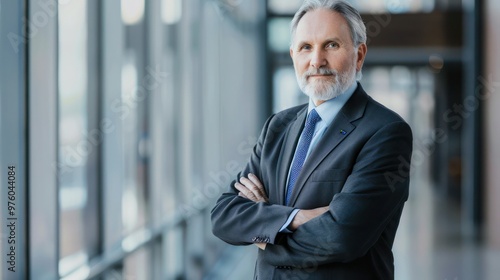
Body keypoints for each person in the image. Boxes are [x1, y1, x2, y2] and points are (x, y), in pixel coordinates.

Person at [211, 0, 413, 279]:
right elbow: (224, 215)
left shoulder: (385, 131)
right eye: (306, 47)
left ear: (359, 54)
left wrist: (265, 230)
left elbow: (342, 236)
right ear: (293, 54)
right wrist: (296, 218)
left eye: (331, 45)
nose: (316, 60)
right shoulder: (277, 127)